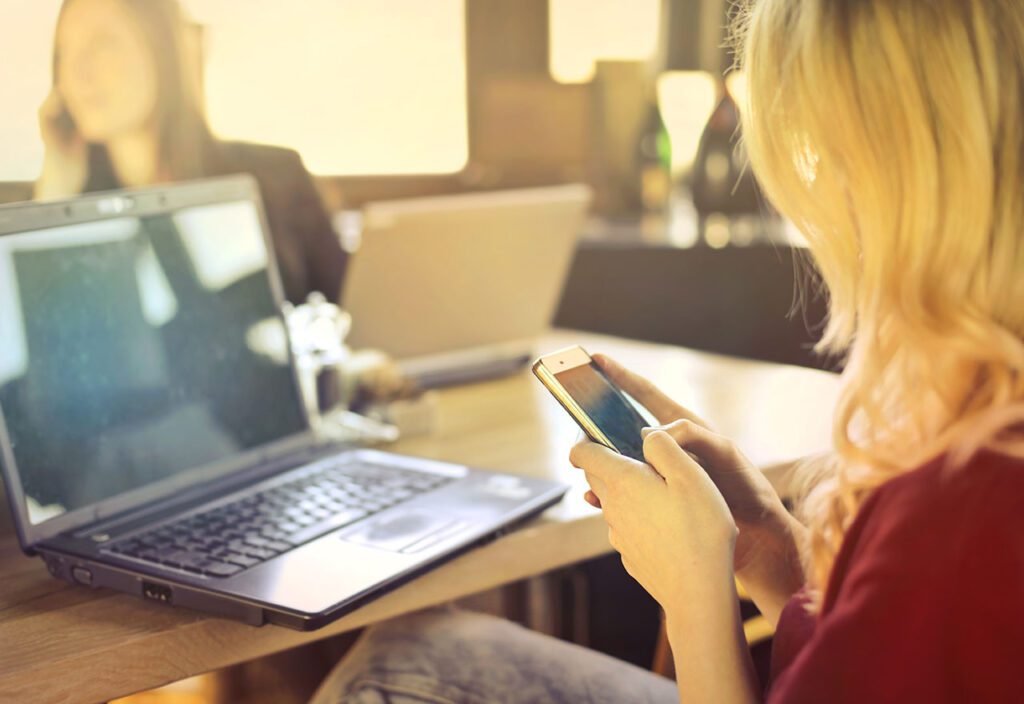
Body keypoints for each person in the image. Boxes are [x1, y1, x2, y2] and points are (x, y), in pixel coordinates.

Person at [310, 0, 1024, 701]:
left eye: (820, 150)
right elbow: (881, 656)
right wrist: (768, 550)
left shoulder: (963, 509)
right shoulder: (972, 463)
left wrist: (693, 593)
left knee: (397, 673)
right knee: (422, 648)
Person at [35, 0, 347, 304]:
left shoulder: (277, 174)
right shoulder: (73, 204)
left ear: (162, 49)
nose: (78, 72)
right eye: (64, 53)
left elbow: (357, 312)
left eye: (102, 44)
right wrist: (57, 186)